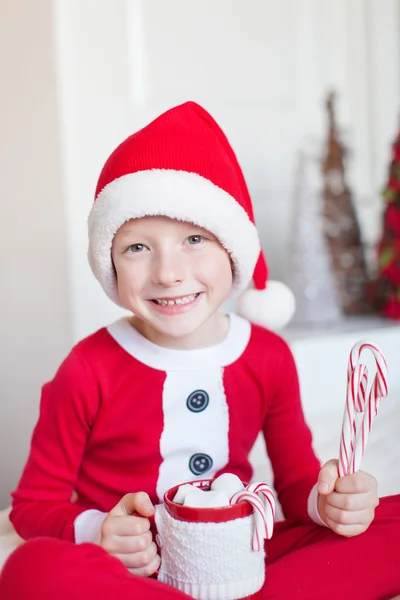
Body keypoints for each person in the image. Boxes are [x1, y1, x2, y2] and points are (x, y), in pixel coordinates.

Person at [0, 101, 399, 600]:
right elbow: (33, 504)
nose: (168, 272)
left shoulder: (268, 356)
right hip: (135, 574)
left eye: (194, 238)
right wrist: (100, 530)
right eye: (137, 247)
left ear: (233, 252)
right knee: (31, 570)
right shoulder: (88, 367)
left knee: (391, 521)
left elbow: (296, 482)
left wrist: (328, 504)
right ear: (110, 264)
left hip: (244, 555)